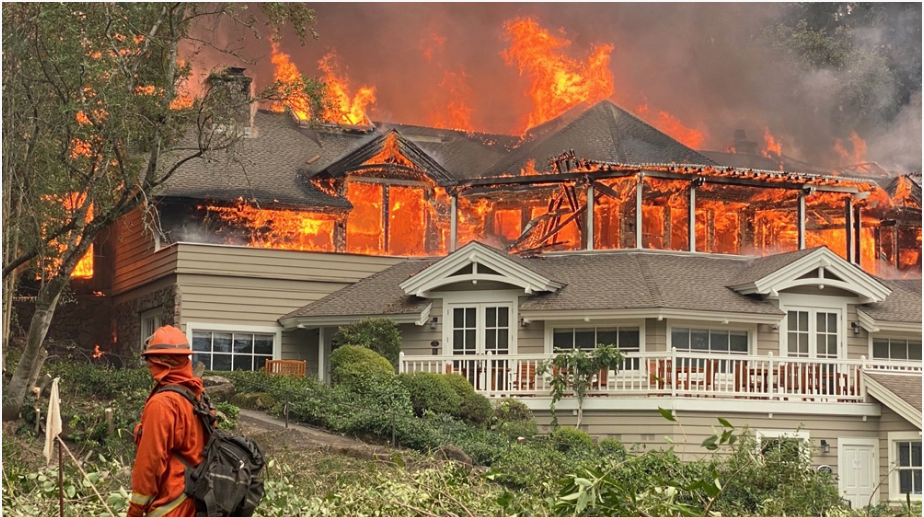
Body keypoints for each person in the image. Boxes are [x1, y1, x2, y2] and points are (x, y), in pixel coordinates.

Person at [128, 325, 206, 517]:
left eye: (149, 359)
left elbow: (150, 462)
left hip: (171, 506)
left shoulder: (163, 404)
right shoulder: (196, 395)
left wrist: (135, 510)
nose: (148, 365)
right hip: (197, 500)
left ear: (162, 361)